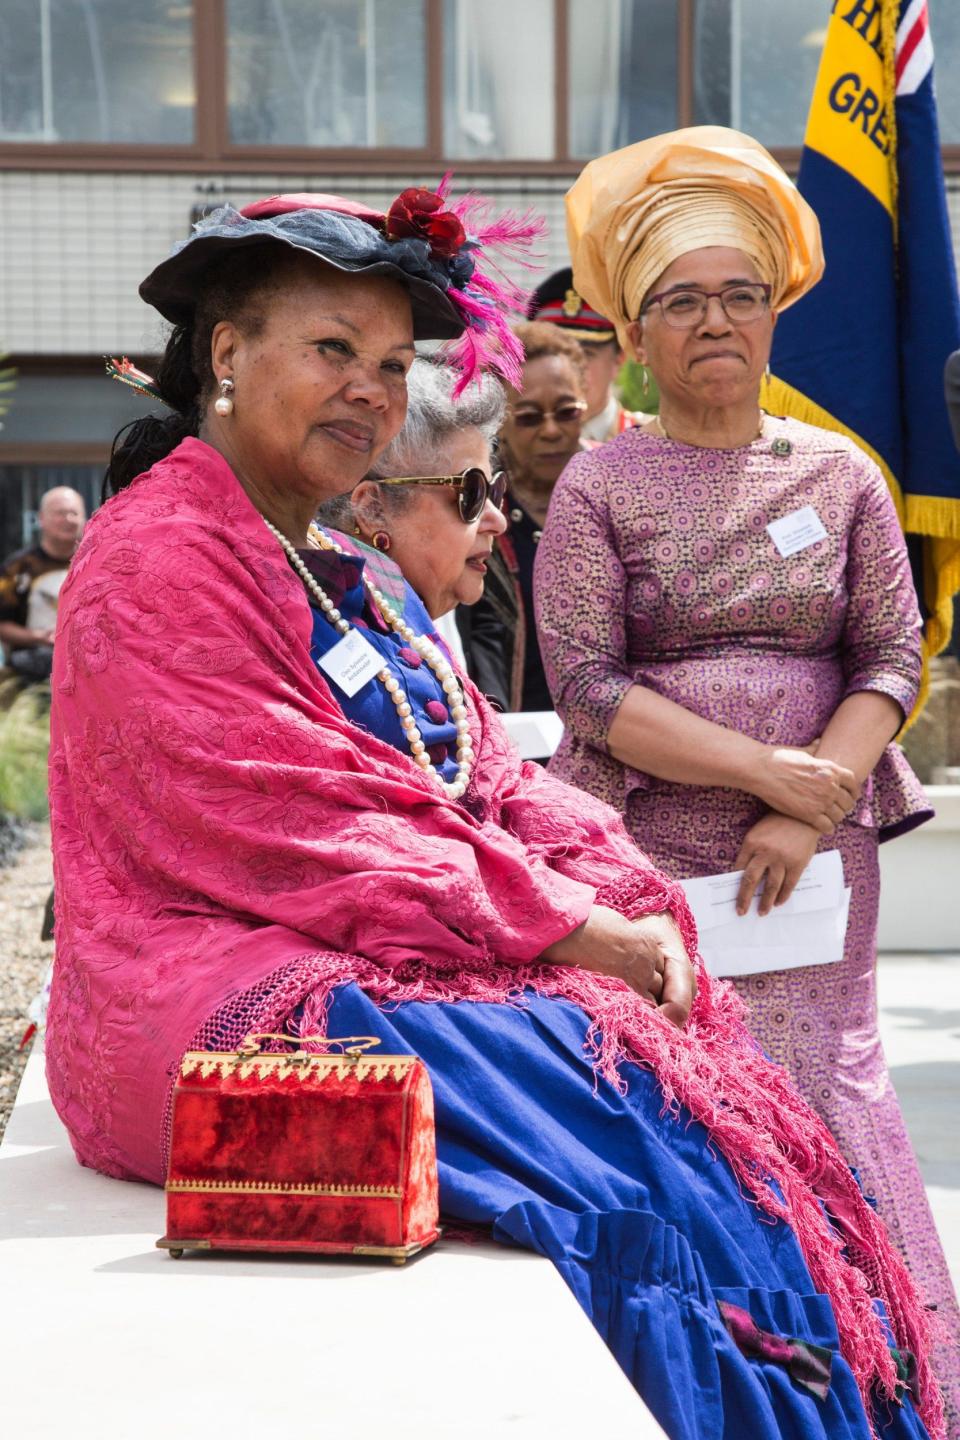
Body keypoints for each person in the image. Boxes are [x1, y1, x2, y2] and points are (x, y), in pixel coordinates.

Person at [45, 188, 944, 1440]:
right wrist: (572, 930)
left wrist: (621, 899)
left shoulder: (328, 559)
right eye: (333, 351)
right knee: (599, 1109)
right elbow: (296, 814)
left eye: (393, 363)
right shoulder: (158, 559)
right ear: (230, 354)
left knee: (699, 1091)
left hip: (482, 917)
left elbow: (484, 767)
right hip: (200, 989)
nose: (369, 388)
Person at [534, 125, 959, 1430]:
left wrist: (812, 794)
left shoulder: (840, 476)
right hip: (654, 854)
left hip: (821, 868)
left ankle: (882, 1386)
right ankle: (724, 1389)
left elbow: (892, 648)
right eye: (681, 298)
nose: (715, 319)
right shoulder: (598, 486)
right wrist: (763, 771)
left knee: (828, 1079)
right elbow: (591, 685)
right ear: (637, 332)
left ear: (775, 313)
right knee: (690, 1084)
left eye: (741, 293)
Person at [316, 357, 509, 696]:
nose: (497, 521)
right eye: (472, 492)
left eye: (495, 492)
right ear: (373, 509)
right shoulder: (317, 632)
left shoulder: (409, 618)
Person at [464, 320, 587, 712]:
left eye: (566, 412)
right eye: (530, 417)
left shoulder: (620, 493)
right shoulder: (474, 509)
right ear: (501, 421)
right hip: (518, 740)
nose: (551, 431)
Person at [529, 266, 645, 443]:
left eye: (585, 354)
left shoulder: (656, 445)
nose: (565, 369)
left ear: (619, 358)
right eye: (552, 354)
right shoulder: (503, 447)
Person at [0, 486, 86, 680]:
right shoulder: (17, 567)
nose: (68, 519)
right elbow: (2, 623)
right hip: (29, 671)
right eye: (60, 513)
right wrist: (39, 637)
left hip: (84, 670)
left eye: (74, 513)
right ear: (41, 518)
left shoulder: (94, 564)